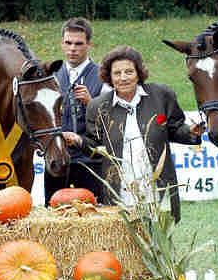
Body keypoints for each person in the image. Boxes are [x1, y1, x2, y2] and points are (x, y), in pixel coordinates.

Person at [73, 46, 204, 223]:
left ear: (138, 73)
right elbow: (96, 147)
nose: (123, 78)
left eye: (129, 72)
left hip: (157, 189)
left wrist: (190, 132)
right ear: (109, 77)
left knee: (159, 244)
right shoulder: (98, 106)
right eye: (117, 73)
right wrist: (79, 141)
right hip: (120, 191)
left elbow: (175, 128)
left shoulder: (161, 95)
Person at [45, 17, 111, 206]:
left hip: (90, 160)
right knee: (54, 215)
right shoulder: (51, 76)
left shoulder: (103, 77)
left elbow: (112, 123)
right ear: (62, 43)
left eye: (78, 43)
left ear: (89, 44)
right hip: (57, 159)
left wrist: (92, 103)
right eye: (68, 43)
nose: (72, 48)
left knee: (93, 216)